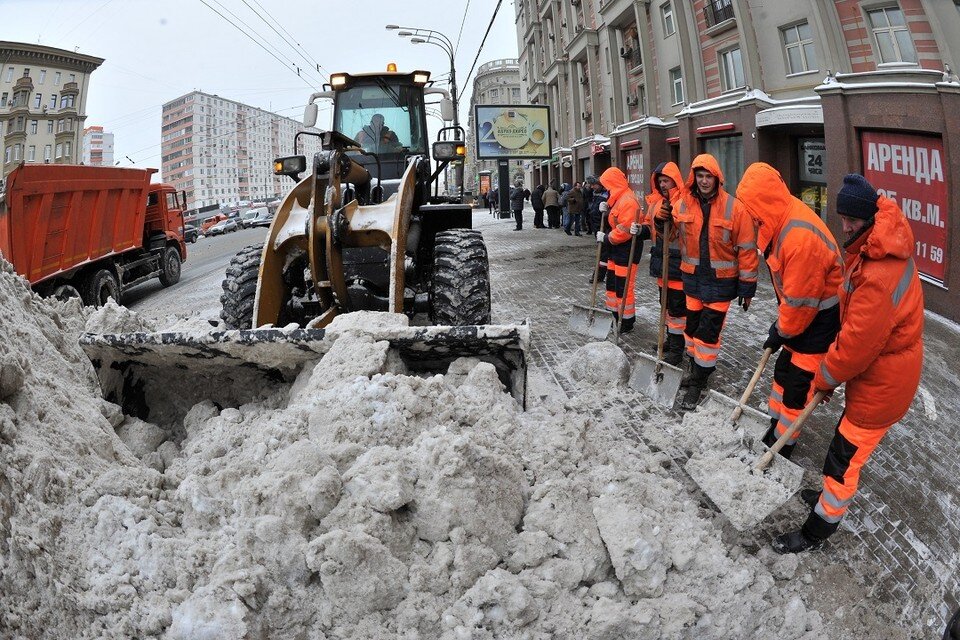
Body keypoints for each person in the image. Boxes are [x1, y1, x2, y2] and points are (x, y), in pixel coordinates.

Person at [772, 173, 924, 554]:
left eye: (851, 221)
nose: (844, 227)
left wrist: (825, 378)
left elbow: (856, 346)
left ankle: (816, 530)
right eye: (842, 219)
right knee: (843, 447)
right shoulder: (875, 250)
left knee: (843, 462)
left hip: (882, 389)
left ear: (870, 219)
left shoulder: (880, 274)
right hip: (878, 375)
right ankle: (824, 501)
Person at [734, 162, 843, 461]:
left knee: (798, 386)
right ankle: (775, 425)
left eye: (751, 210)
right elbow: (794, 302)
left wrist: (779, 331)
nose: (750, 217)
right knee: (782, 371)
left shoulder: (798, 238)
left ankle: (784, 443)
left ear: (763, 203)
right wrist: (782, 330)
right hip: (801, 316)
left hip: (819, 323)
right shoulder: (779, 220)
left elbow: (801, 303)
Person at [672, 154, 758, 410]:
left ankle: (699, 380)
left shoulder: (735, 208)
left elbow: (747, 250)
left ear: (717, 178)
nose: (704, 181)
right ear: (694, 178)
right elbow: (669, 231)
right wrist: (660, 218)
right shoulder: (683, 203)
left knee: (708, 335)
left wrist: (747, 287)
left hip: (721, 284)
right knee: (691, 329)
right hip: (692, 280)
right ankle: (693, 368)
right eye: (700, 176)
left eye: (708, 176)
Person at [634, 162, 687, 365]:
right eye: (660, 181)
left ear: (675, 180)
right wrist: (640, 231)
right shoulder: (655, 203)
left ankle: (677, 349)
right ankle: (670, 340)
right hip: (660, 263)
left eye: (667, 181)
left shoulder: (682, 202)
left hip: (677, 265)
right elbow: (650, 227)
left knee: (677, 311)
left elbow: (683, 230)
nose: (663, 185)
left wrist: (671, 218)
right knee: (664, 306)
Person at [596, 167, 643, 333]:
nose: (605, 189)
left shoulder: (628, 200)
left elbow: (625, 229)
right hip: (615, 250)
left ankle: (626, 320)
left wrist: (607, 237)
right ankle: (613, 315)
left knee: (624, 287)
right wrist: (606, 210)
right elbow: (616, 219)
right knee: (612, 284)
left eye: (606, 185)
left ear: (613, 183)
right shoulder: (617, 198)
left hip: (626, 249)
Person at [584, 176, 610, 282]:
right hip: (598, 227)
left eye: (593, 185)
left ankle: (598, 276)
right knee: (604, 252)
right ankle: (602, 275)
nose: (592, 187)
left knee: (603, 253)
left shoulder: (607, 194)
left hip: (604, 227)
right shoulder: (595, 193)